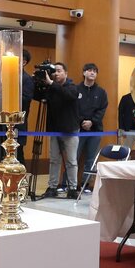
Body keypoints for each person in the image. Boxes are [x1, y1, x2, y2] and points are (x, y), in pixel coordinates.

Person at [38, 62, 79, 197]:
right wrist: (38, 81)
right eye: (54, 71)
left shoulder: (72, 86)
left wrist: (51, 84)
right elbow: (39, 97)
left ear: (66, 73)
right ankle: (52, 187)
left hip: (70, 129)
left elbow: (69, 96)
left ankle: (72, 188)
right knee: (54, 159)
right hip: (54, 130)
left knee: (71, 160)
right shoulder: (51, 87)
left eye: (59, 71)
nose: (56, 73)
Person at [75, 63, 109, 188]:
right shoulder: (76, 89)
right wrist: (82, 121)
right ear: (84, 73)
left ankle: (86, 184)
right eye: (89, 70)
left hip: (95, 130)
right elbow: (74, 108)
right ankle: (70, 184)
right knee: (74, 158)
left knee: (91, 159)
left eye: (95, 71)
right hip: (79, 129)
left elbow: (102, 109)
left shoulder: (101, 92)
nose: (92, 73)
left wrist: (92, 122)